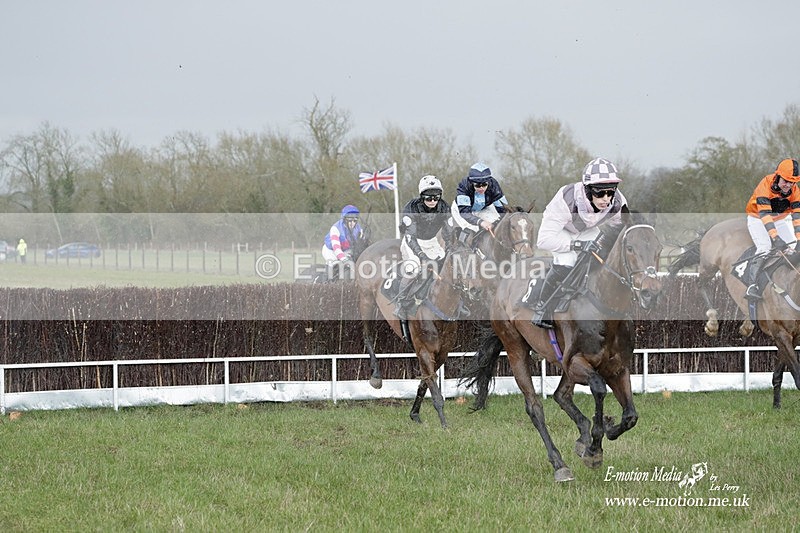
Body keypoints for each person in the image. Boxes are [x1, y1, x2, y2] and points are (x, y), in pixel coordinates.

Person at [531, 157, 628, 329]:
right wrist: (577, 246)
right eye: (600, 193)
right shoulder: (567, 200)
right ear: (588, 189)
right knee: (568, 260)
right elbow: (543, 240)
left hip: (585, 230)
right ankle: (542, 306)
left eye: (610, 192)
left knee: (599, 257)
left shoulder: (618, 202)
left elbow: (618, 230)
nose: (606, 199)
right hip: (559, 230)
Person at [393, 175, 455, 318]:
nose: (433, 201)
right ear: (421, 197)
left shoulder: (444, 207)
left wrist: (450, 248)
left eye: (436, 197)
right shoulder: (412, 208)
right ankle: (401, 303)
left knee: (448, 267)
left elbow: (448, 233)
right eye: (428, 198)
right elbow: (410, 237)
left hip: (431, 241)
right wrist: (421, 256)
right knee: (414, 268)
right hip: (412, 242)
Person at [744, 158, 800, 300]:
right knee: (765, 247)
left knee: (792, 247)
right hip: (758, 218)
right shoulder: (765, 184)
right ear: (777, 176)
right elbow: (765, 215)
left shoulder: (795, 190)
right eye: (785, 181)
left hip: (779, 218)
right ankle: (752, 286)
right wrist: (775, 238)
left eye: (792, 182)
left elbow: (797, 216)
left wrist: (799, 239)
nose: (788, 185)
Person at [451, 162, 508, 242]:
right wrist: (481, 222)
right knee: (473, 229)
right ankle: (462, 248)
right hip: (462, 211)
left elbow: (502, 208)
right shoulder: (464, 186)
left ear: (488, 182)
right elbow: (465, 212)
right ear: (472, 183)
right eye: (477, 185)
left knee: (496, 224)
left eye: (484, 185)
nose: (481, 188)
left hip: (484, 208)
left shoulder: (493, 185)